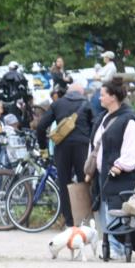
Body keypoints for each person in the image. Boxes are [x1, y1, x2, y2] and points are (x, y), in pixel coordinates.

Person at [87, 77, 135, 260]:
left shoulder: (128, 120)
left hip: (119, 176)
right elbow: (95, 145)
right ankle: (111, 247)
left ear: (113, 97)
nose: (99, 98)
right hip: (103, 175)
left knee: (115, 211)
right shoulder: (102, 118)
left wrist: (120, 165)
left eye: (103, 94)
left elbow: (131, 151)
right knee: (105, 210)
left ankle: (117, 248)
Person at [36, 79, 92, 228]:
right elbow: (95, 127)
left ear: (68, 92)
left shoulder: (57, 104)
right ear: (81, 92)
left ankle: (69, 222)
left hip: (62, 148)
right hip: (82, 147)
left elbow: (41, 127)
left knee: (64, 183)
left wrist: (43, 148)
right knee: (84, 182)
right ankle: (86, 220)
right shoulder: (87, 104)